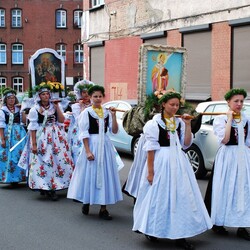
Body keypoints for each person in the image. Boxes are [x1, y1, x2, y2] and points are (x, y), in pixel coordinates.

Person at [132, 90, 212, 250]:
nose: (175, 108)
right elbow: (150, 149)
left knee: (181, 197)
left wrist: (188, 125)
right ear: (163, 105)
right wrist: (150, 171)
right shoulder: (154, 124)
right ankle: (153, 229)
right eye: (172, 104)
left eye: (177, 105)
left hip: (179, 162)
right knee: (159, 196)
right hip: (161, 162)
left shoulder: (180, 123)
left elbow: (186, 144)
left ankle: (180, 234)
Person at [67, 85, 123, 220]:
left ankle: (103, 208)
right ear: (91, 98)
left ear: (103, 97)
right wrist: (87, 151)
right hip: (92, 144)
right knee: (89, 174)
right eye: (95, 96)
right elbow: (84, 133)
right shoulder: (86, 113)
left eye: (100, 96)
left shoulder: (107, 112)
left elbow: (114, 131)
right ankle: (86, 200)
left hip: (105, 145)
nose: (98, 99)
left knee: (105, 175)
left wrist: (114, 116)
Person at [204, 88, 250, 240]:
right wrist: (229, 119)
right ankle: (219, 222)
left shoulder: (246, 119)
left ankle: (242, 225)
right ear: (228, 102)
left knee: (243, 189)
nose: (239, 104)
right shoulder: (221, 119)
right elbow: (224, 139)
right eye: (236, 101)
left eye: (241, 101)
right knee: (223, 188)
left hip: (242, 156)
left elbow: (248, 142)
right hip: (227, 157)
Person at [18, 84, 74, 201]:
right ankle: (45, 187)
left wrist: (57, 106)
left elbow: (62, 120)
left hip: (55, 137)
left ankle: (53, 186)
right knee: (43, 162)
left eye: (47, 94)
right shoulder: (34, 110)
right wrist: (33, 144)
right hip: (41, 137)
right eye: (43, 94)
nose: (46, 96)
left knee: (56, 161)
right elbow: (32, 128)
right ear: (39, 96)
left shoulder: (54, 107)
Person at [0, 88, 27, 185]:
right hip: (8, 134)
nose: (11, 100)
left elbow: (24, 121)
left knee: (19, 155)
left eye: (13, 98)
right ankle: (10, 177)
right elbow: (1, 125)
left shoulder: (18, 109)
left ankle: (20, 176)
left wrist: (22, 110)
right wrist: (2, 139)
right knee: (8, 155)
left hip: (19, 134)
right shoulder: (3, 111)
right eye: (9, 98)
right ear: (6, 100)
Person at [67, 80, 94, 164]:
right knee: (79, 153)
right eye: (84, 92)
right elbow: (79, 120)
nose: (86, 95)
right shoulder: (76, 106)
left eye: (88, 92)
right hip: (80, 131)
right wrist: (82, 107)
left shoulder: (94, 104)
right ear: (80, 93)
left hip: (92, 130)